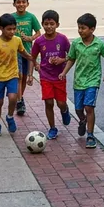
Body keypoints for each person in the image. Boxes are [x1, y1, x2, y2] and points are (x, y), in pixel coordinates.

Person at [59, 13, 104, 149]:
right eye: (79, 28)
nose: (80, 30)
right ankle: (82, 120)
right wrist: (64, 72)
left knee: (89, 107)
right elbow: (71, 59)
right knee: (78, 109)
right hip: (79, 81)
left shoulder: (99, 44)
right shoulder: (76, 43)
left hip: (93, 80)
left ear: (92, 29)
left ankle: (90, 135)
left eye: (83, 28)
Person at [0, 13, 33, 136]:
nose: (12, 32)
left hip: (12, 75)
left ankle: (10, 116)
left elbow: (23, 53)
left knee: (13, 98)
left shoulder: (17, 40)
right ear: (1, 28)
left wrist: (33, 61)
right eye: (9, 29)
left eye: (14, 29)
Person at [28, 10, 72, 140]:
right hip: (45, 76)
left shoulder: (62, 39)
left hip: (59, 76)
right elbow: (32, 57)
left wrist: (62, 60)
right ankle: (52, 128)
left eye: (52, 24)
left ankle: (65, 110)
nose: (49, 26)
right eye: (46, 24)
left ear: (57, 24)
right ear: (42, 24)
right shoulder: (39, 41)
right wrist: (31, 73)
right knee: (48, 102)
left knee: (60, 103)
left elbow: (72, 56)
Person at [12, 0, 41, 116]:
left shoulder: (31, 17)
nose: (21, 4)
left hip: (28, 52)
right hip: (15, 51)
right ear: (14, 4)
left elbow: (38, 32)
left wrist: (30, 38)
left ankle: (20, 98)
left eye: (23, 2)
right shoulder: (12, 17)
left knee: (24, 77)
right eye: (18, 2)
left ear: (27, 4)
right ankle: (19, 101)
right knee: (18, 76)